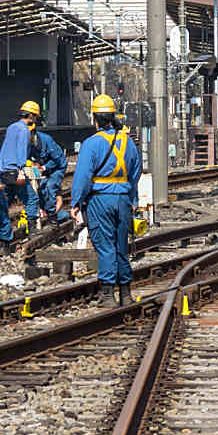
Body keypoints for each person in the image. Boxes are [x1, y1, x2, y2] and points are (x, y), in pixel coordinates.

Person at [71, 94, 140, 307]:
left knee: (105, 246)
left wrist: (76, 202)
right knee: (121, 245)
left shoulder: (91, 144)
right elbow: (135, 173)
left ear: (95, 118)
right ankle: (126, 293)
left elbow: (83, 177)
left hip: (100, 200)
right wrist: (132, 199)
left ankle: (108, 295)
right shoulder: (128, 142)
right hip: (123, 199)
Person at [0, 100, 42, 233]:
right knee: (32, 199)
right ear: (31, 116)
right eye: (35, 117)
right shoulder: (24, 130)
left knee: (5, 200)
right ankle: (32, 230)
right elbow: (21, 150)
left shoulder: (11, 127)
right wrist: (21, 170)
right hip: (14, 171)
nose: (35, 120)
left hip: (3, 170)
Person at [29, 124, 69, 227]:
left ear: (33, 133)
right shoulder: (28, 142)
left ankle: (53, 217)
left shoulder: (47, 140)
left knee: (50, 187)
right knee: (41, 189)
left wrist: (44, 167)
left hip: (58, 166)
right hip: (44, 166)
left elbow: (57, 160)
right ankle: (50, 212)